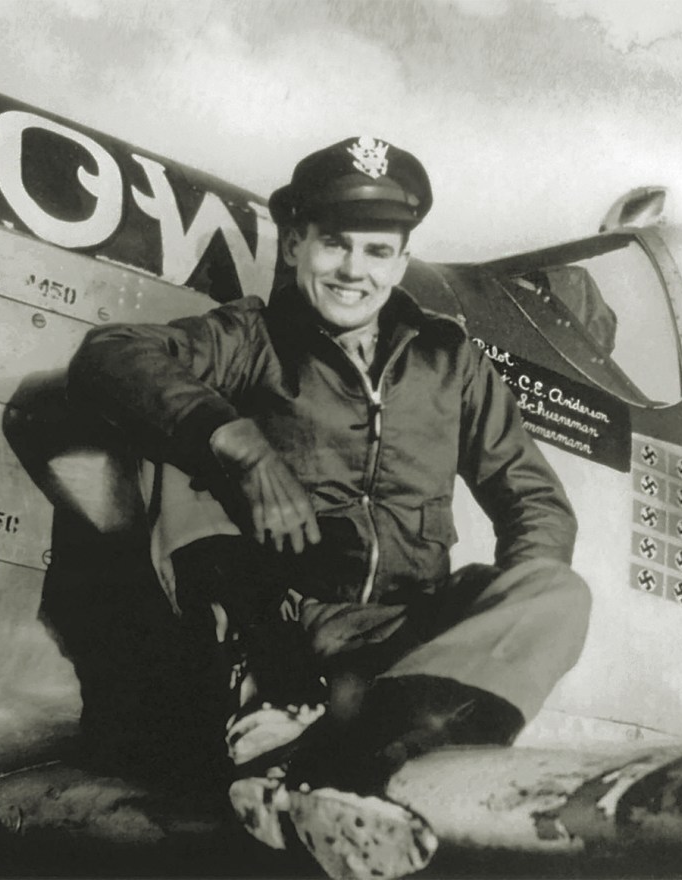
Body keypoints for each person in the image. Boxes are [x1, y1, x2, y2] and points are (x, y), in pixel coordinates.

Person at [65, 136, 592, 877]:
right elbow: (111, 354)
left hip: (406, 641)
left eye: (378, 251)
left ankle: (341, 764)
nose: (354, 269)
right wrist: (237, 445)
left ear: (402, 263)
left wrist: (496, 619)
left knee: (558, 590)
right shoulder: (251, 338)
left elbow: (534, 500)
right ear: (295, 248)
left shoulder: (452, 363)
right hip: (288, 633)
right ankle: (329, 758)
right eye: (334, 244)